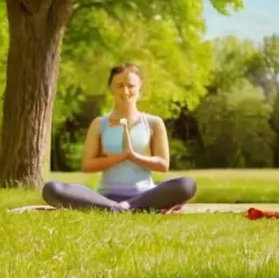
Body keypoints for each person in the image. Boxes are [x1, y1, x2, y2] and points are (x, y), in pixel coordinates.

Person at [41, 63, 197, 212]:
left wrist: (134, 156)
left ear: (140, 88)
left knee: (186, 185)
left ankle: (126, 206)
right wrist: (121, 156)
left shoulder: (153, 122)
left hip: (145, 195)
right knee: (52, 189)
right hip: (106, 196)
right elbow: (88, 165)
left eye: (131, 86)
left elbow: (163, 165)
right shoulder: (99, 124)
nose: (125, 91)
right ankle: (113, 206)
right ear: (111, 88)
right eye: (120, 86)